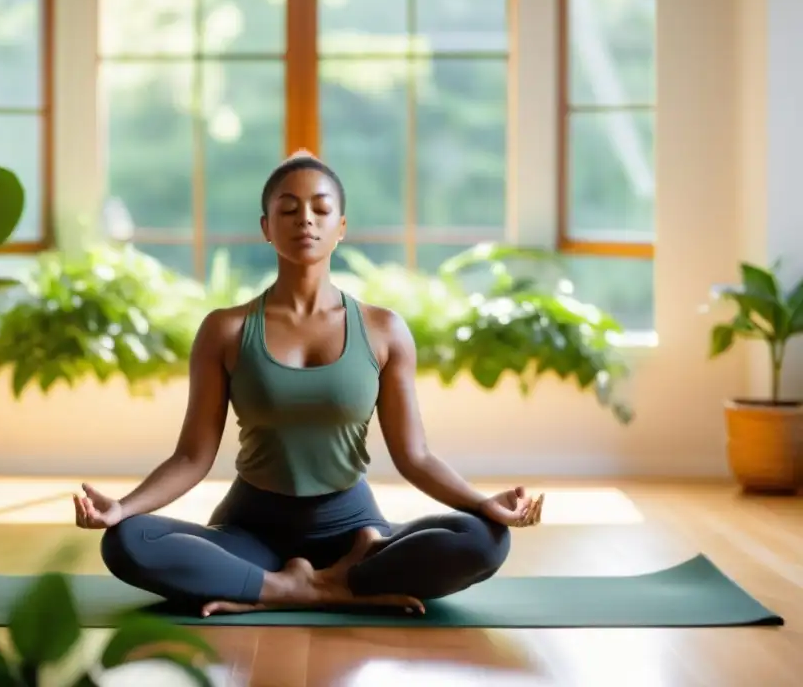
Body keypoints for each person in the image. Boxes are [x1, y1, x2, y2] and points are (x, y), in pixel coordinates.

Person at [73, 150, 545, 618]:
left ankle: (312, 582)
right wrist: (122, 508)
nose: (306, 220)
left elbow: (414, 456)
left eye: (321, 209)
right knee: (127, 542)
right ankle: (305, 588)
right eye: (289, 209)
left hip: (355, 533)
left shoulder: (383, 330)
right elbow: (192, 457)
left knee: (485, 540)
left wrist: (484, 503)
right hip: (250, 533)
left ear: (341, 227)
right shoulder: (227, 330)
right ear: (266, 227)